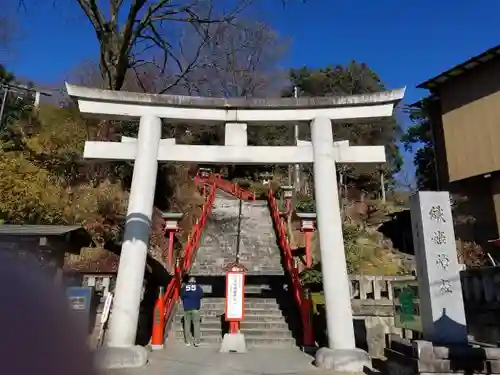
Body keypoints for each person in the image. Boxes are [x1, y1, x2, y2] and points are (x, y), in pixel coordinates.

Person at [180, 276, 204, 347]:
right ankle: (196, 342)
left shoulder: (184, 287)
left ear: (189, 281)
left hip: (187, 308)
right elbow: (201, 295)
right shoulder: (198, 287)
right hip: (195, 308)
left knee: (187, 325)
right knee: (196, 324)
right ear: (194, 281)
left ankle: (187, 342)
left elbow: (181, 296)